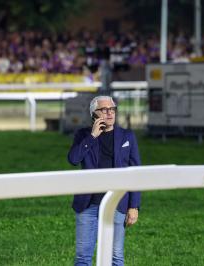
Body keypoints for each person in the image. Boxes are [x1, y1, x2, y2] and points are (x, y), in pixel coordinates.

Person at [68, 95, 141, 266]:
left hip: (117, 202)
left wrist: (134, 206)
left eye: (112, 109)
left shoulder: (127, 136)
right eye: (104, 109)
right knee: (83, 257)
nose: (109, 113)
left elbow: (136, 173)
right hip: (88, 204)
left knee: (115, 256)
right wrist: (92, 137)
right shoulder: (83, 135)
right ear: (94, 113)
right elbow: (73, 159)